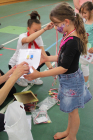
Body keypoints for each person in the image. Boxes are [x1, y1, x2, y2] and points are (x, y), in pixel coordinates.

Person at [24, 2, 92, 140]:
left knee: (73, 112)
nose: (55, 27)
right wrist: (46, 58)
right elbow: (63, 57)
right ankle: (68, 131)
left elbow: (63, 67)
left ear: (66, 21)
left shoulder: (73, 40)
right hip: (68, 80)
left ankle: (72, 136)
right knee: (71, 112)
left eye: (56, 24)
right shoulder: (68, 33)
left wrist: (39, 74)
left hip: (72, 81)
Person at [8, 11, 53, 87]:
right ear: (28, 28)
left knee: (46, 54)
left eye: (39, 30)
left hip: (28, 62)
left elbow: (44, 55)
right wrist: (44, 29)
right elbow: (28, 40)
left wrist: (51, 68)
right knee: (23, 84)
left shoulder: (39, 38)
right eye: (35, 31)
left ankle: (30, 76)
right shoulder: (22, 36)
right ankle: (18, 77)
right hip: (16, 65)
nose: (38, 33)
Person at [79, 1, 93, 88]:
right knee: (82, 64)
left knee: (84, 64)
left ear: (91, 11)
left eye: (85, 12)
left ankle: (85, 82)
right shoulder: (85, 21)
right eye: (82, 13)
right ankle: (84, 81)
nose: (83, 14)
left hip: (90, 49)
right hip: (84, 48)